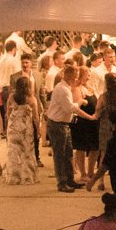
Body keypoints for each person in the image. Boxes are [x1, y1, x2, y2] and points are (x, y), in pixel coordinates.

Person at [44, 64, 82, 192]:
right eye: (75, 77)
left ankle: (70, 179)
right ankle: (62, 182)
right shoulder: (62, 89)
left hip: (64, 124)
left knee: (68, 153)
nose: (76, 80)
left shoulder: (66, 87)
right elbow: (69, 108)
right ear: (69, 77)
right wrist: (80, 103)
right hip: (57, 124)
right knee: (59, 155)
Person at [0, 75, 40, 185]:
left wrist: (7, 126)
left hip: (13, 127)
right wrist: (38, 130)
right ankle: (27, 176)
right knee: (27, 151)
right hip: (26, 128)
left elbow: (7, 113)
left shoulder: (12, 97)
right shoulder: (32, 100)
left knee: (13, 151)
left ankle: (14, 176)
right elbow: (36, 117)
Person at [71, 77, 101, 186]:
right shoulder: (77, 89)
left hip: (94, 122)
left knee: (95, 147)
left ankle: (90, 171)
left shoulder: (89, 88)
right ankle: (83, 174)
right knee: (81, 148)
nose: (88, 77)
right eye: (86, 75)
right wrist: (89, 117)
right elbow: (77, 109)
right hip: (83, 123)